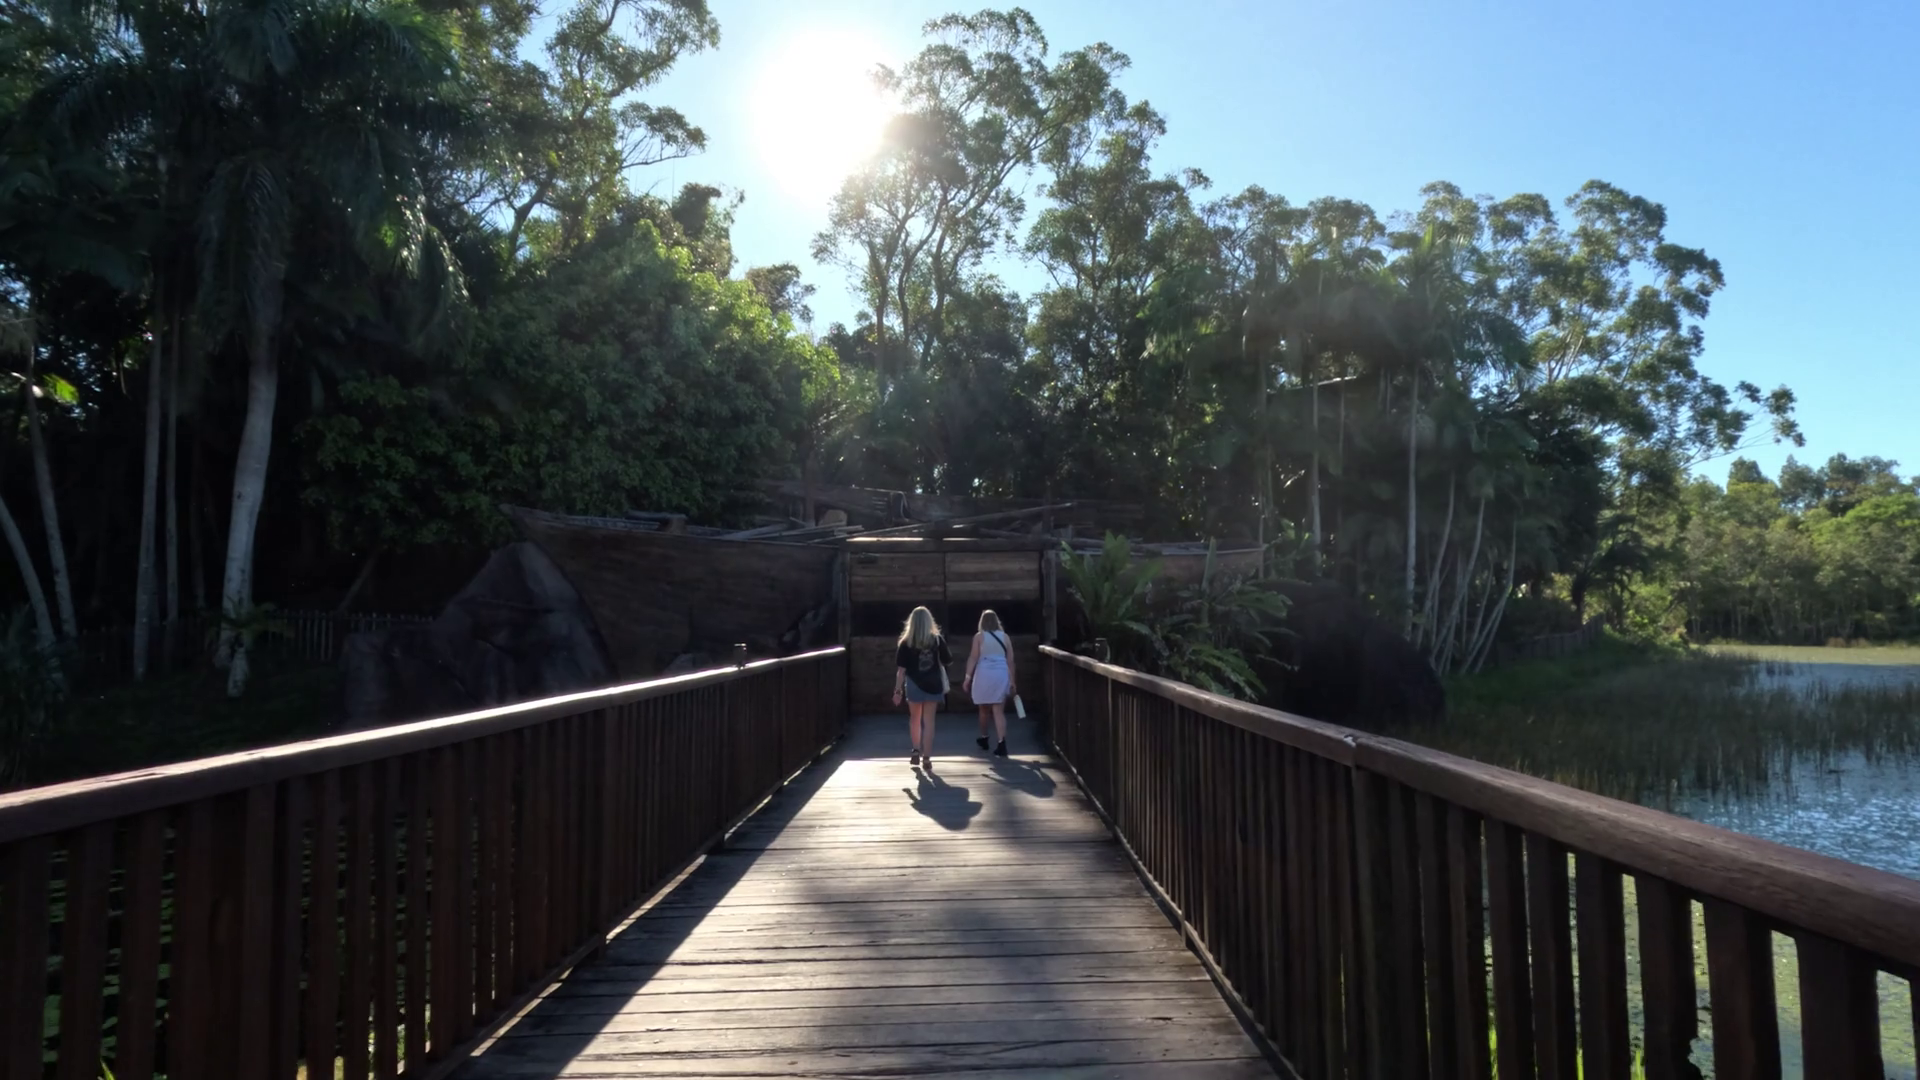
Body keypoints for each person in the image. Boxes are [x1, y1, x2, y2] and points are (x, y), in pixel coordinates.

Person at [892, 606, 951, 769]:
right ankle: (927, 757)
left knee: (915, 719)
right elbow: (948, 660)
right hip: (934, 683)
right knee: (929, 721)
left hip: (914, 684)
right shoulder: (937, 640)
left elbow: (901, 671)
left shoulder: (906, 642)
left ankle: (916, 750)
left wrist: (897, 691)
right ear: (929, 621)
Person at [964, 610, 1016, 757]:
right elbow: (1010, 660)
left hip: (984, 674)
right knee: (998, 711)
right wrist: (1012, 680)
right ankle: (1001, 742)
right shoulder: (1005, 637)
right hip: (1001, 673)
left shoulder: (979, 637)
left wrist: (967, 677)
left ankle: (984, 737)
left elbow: (973, 657)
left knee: (983, 709)